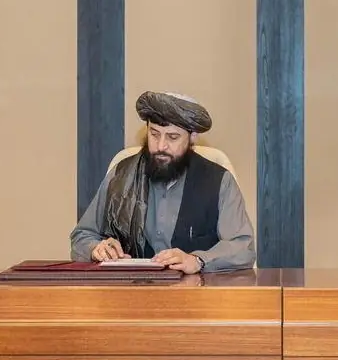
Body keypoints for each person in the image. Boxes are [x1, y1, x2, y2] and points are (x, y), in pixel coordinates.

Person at [70, 91, 256, 274]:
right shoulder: (121, 175)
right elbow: (81, 236)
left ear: (192, 137)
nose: (161, 146)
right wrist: (96, 248)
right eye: (154, 134)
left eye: (172, 137)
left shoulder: (219, 181)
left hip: (195, 290)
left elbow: (243, 247)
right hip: (131, 288)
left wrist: (198, 260)